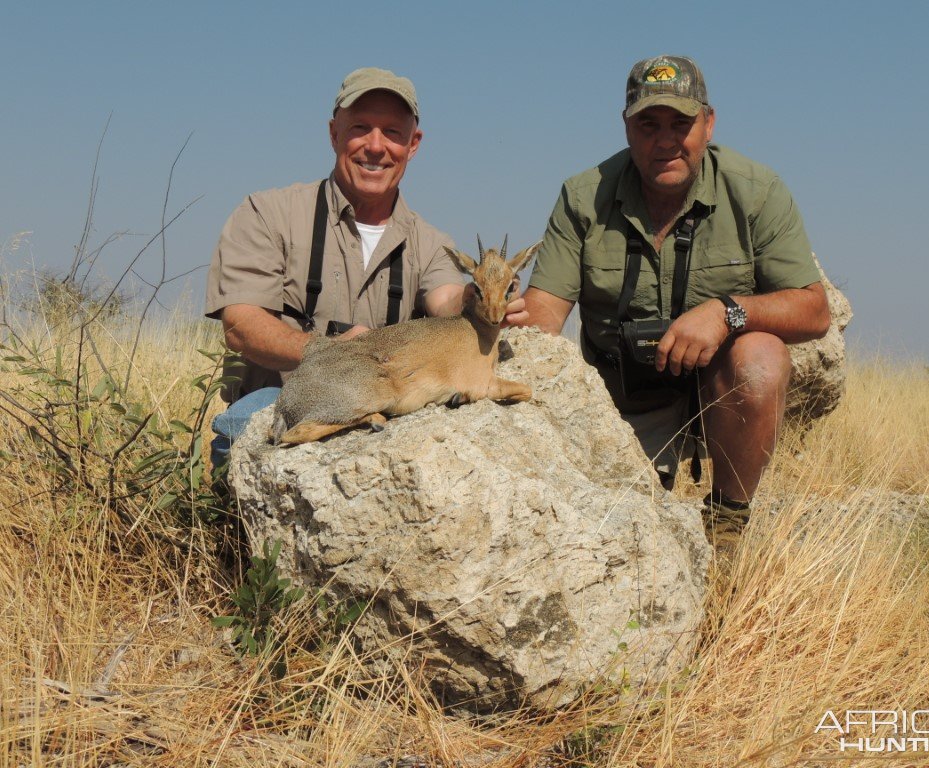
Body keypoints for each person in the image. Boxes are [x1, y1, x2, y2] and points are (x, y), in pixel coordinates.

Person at [517, 55, 830, 535]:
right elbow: (541, 320)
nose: (665, 140)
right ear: (626, 127)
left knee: (761, 357)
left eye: (680, 123)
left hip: (720, 396)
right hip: (619, 405)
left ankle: (727, 526)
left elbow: (815, 310)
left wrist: (727, 312)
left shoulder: (757, 190)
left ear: (708, 124)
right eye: (648, 124)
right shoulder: (581, 197)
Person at [205, 67, 525, 466]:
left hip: (384, 402)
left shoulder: (432, 243)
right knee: (240, 426)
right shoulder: (267, 214)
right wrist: (330, 351)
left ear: (413, 144)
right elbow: (240, 324)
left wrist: (483, 297)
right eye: (361, 127)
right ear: (334, 133)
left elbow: (447, 299)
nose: (376, 146)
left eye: (393, 132)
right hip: (287, 396)